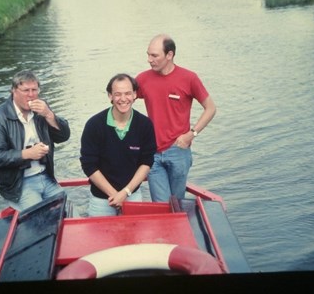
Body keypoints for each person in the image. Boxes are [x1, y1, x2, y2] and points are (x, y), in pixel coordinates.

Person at [136, 34, 216, 202]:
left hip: (178, 150)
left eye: (154, 55)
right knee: (161, 205)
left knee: (177, 203)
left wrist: (191, 134)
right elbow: (124, 102)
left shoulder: (189, 78)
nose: (149, 60)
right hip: (152, 152)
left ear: (169, 55)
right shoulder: (142, 79)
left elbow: (210, 108)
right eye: (148, 54)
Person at [0, 69, 70, 212]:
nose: (31, 95)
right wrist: (27, 154)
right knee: (40, 220)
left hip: (46, 177)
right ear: (13, 91)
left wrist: (49, 114)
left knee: (69, 214)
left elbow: (64, 136)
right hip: (19, 184)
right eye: (25, 90)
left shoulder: (41, 109)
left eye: (34, 90)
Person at [80, 73, 157, 216]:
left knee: (134, 238)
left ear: (135, 94)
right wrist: (115, 195)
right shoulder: (94, 125)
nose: (123, 99)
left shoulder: (144, 125)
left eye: (128, 93)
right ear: (110, 96)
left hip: (132, 196)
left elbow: (146, 162)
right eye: (117, 94)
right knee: (101, 238)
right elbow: (88, 165)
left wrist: (125, 192)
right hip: (101, 201)